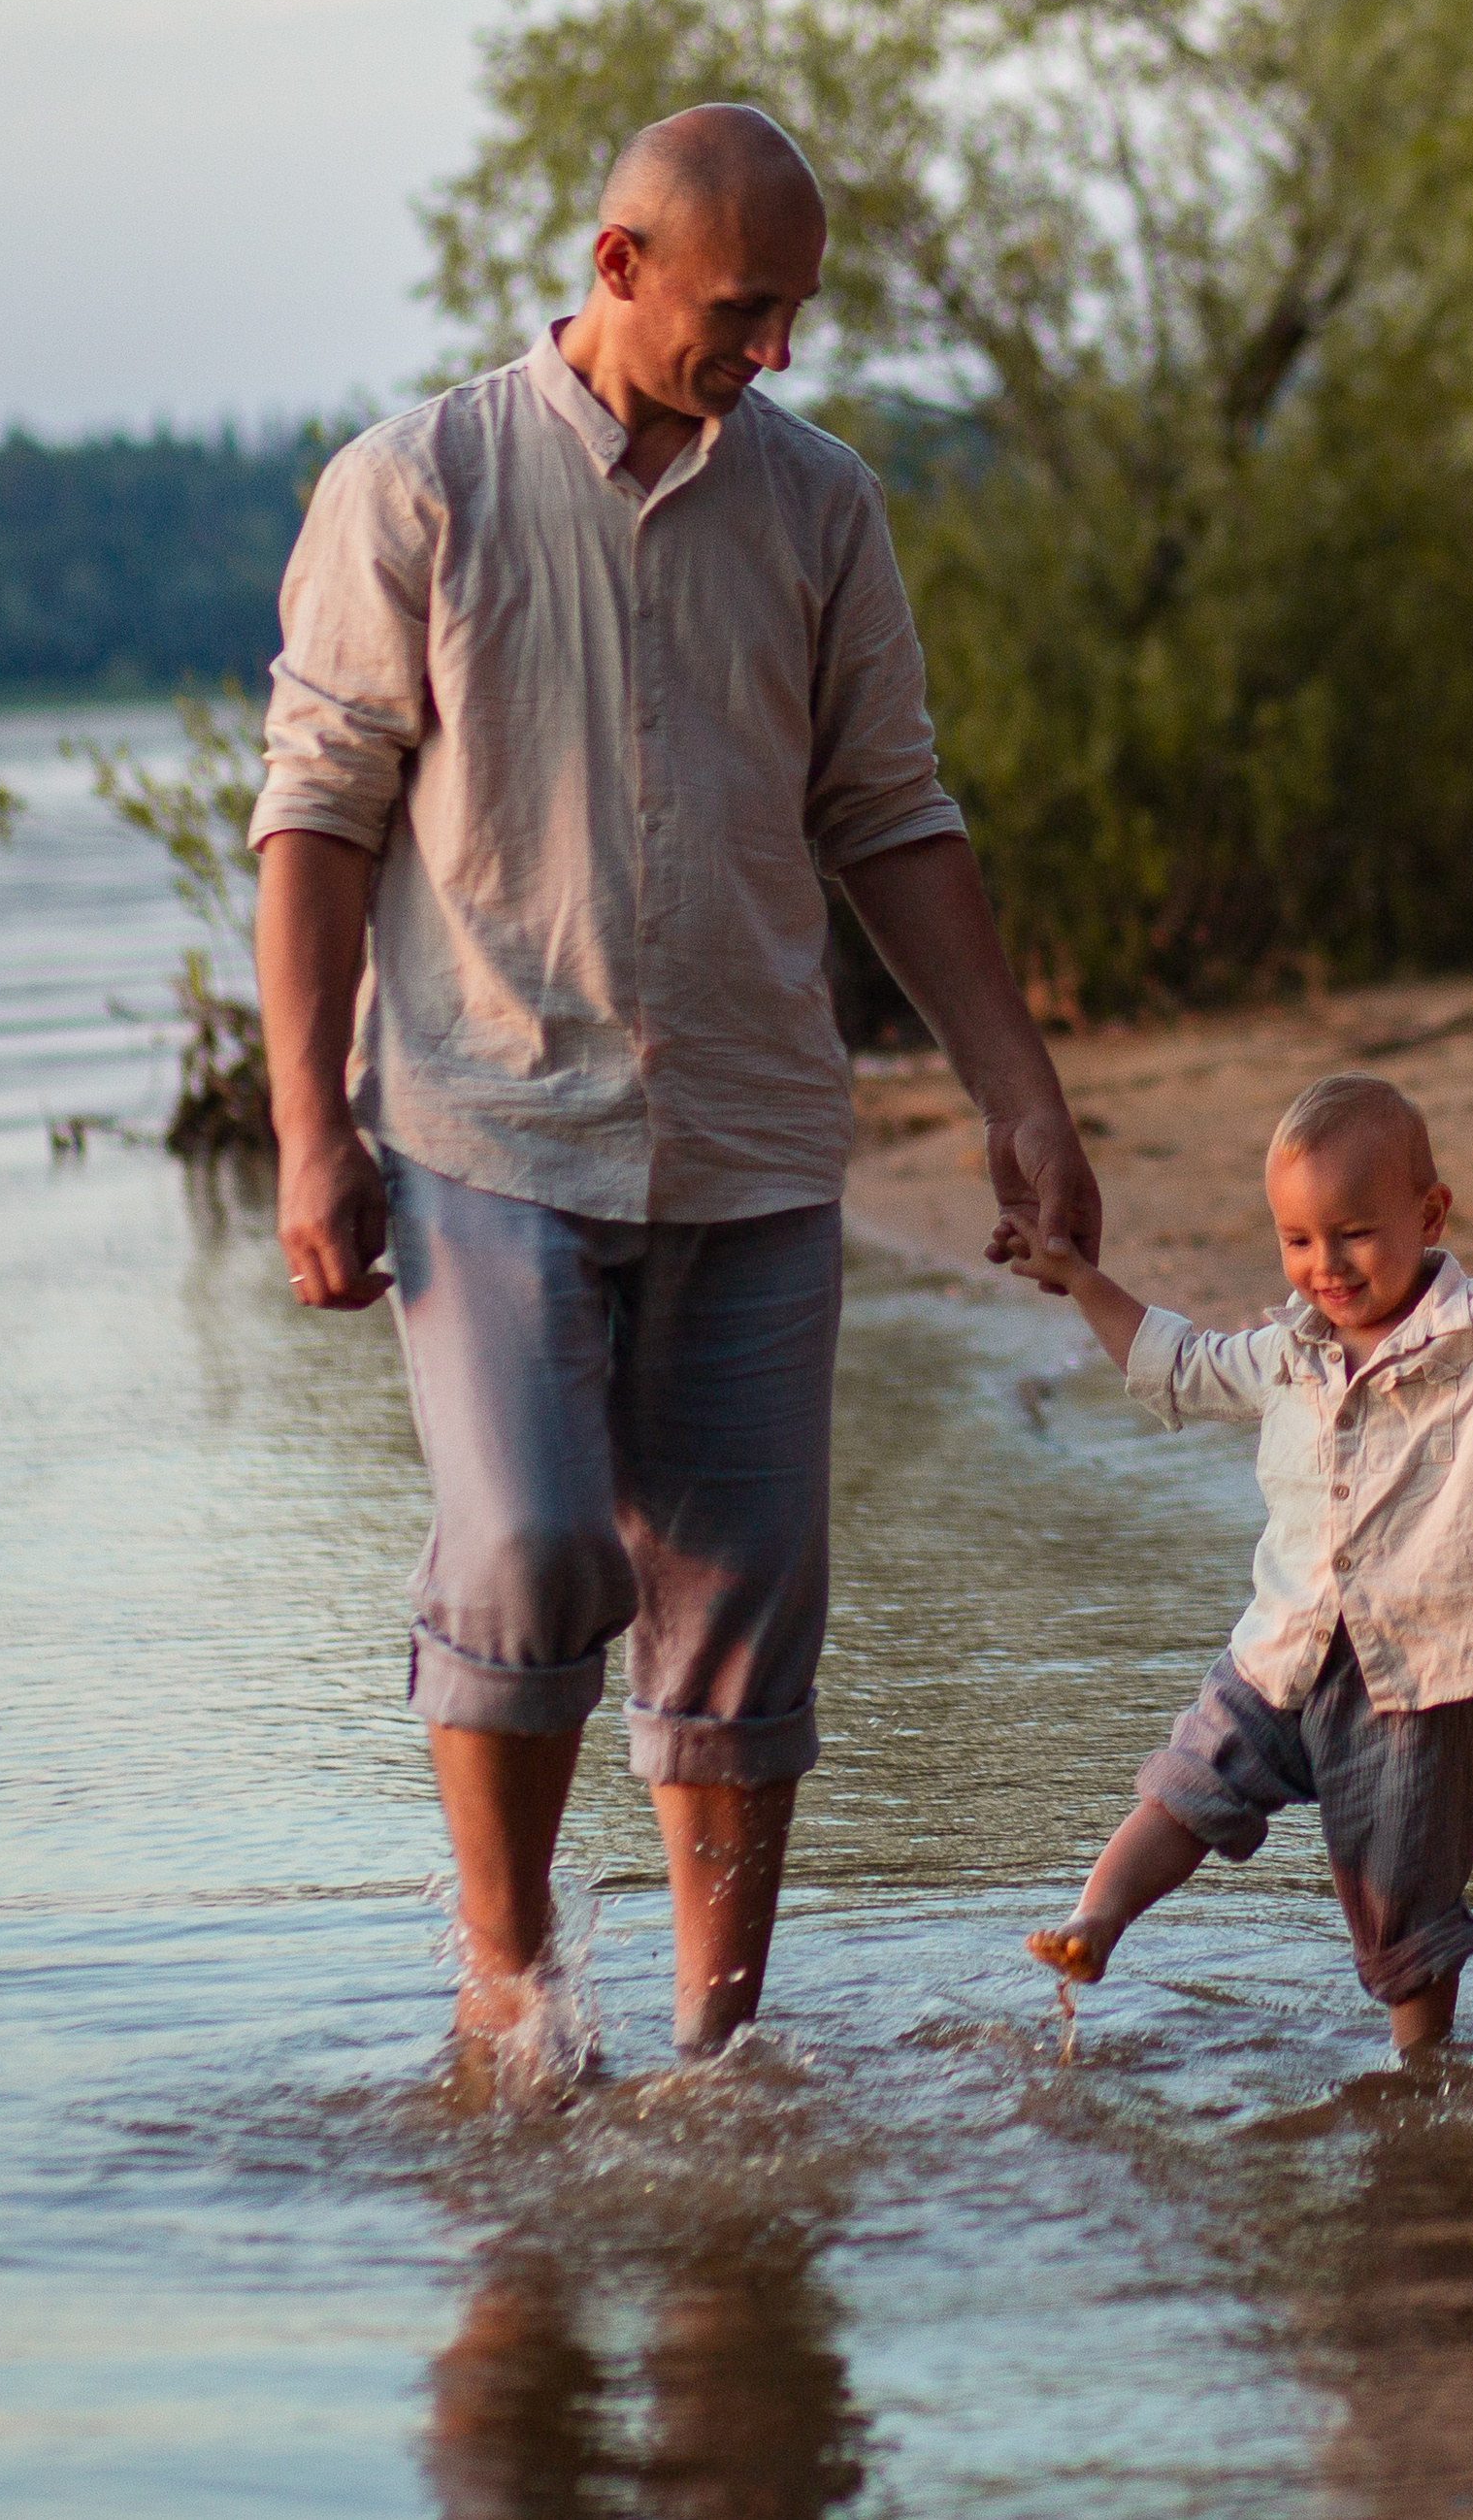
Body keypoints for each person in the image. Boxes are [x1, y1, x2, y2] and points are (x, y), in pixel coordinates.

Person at [248, 104, 1101, 2067]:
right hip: (484, 1126)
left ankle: (719, 2060)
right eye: (742, 308)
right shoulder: (417, 485)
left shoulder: (819, 505)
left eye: (797, 311)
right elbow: (315, 818)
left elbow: (890, 811)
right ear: (617, 265)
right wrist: (309, 1127)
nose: (775, 349)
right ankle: (515, 1986)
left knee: (742, 1609)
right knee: (532, 1547)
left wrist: (1020, 1090)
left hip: (751, 1133)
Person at [1002, 1072, 1473, 2051]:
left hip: (1416, 1678)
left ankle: (1423, 2073)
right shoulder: (1288, 1352)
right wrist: (1078, 1279)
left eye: (1354, 1233)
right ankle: (1094, 1920)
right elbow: (1176, 1364)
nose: (1326, 1265)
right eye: (1298, 1240)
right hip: (1279, 1652)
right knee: (1186, 1783)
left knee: (1404, 1895)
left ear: (1429, 1214)